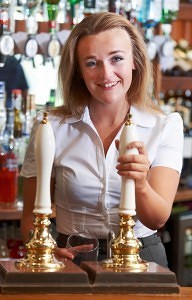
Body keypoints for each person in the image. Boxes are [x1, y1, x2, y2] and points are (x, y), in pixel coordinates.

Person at [20, 12, 184, 267]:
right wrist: (47, 251)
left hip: (140, 258)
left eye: (116, 58)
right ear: (78, 71)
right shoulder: (49, 127)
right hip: (72, 257)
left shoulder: (164, 125)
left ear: (135, 61)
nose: (106, 74)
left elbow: (157, 219)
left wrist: (140, 182)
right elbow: (30, 217)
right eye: (92, 63)